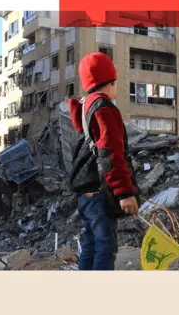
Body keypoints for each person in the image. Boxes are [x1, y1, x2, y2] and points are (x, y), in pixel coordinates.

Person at [68, 52, 139, 271]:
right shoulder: (104, 108)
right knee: (106, 247)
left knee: (91, 245)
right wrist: (124, 192)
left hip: (86, 193)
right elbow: (110, 152)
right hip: (100, 192)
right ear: (111, 82)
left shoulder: (86, 107)